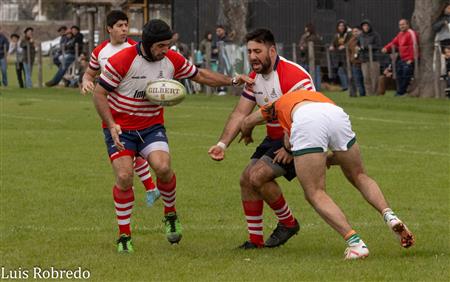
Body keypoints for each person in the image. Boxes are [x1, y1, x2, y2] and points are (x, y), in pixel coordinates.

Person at [92, 19, 251, 253]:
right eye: (161, 46)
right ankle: (124, 235)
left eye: (168, 45)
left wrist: (233, 80)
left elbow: (200, 76)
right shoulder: (123, 60)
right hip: (121, 129)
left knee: (163, 168)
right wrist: (111, 124)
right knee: (125, 176)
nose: (166, 50)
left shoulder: (170, 60)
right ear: (148, 44)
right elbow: (99, 93)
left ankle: (170, 214)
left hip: (151, 126)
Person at [240, 89, 415, 259]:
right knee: (359, 175)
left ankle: (355, 244)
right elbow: (340, 156)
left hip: (307, 121)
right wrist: (327, 159)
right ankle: (389, 215)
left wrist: (247, 134)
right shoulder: (313, 96)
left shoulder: (277, 105)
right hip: (336, 114)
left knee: (315, 192)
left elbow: (248, 122)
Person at [208, 29, 315, 249]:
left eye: (258, 51)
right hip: (275, 137)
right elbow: (240, 113)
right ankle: (255, 242)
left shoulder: (293, 76)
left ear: (272, 50)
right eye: (249, 52)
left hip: (302, 138)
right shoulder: (255, 78)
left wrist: (290, 148)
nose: (253, 56)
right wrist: (222, 144)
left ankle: (288, 223)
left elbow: (308, 116)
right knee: (246, 179)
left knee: (257, 176)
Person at [81, 11, 161, 208]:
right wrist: (85, 81)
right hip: (111, 110)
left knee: (131, 153)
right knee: (128, 153)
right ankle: (150, 188)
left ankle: (150, 189)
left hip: (135, 110)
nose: (124, 29)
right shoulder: (100, 51)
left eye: (126, 25)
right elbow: (90, 74)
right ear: (109, 28)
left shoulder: (136, 48)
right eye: (119, 26)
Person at [382, 19, 419, 96]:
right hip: (402, 58)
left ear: (408, 25)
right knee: (398, 75)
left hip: (409, 59)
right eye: (400, 25)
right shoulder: (400, 34)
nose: (401, 26)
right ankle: (400, 91)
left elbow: (415, 47)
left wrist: (412, 59)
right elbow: (393, 43)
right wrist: (386, 48)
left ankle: (401, 92)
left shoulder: (411, 33)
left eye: (403, 24)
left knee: (406, 76)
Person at [359, 19, 382, 95]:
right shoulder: (360, 36)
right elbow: (358, 45)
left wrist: (366, 47)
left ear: (370, 26)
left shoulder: (375, 35)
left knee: (375, 77)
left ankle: (376, 93)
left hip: (374, 59)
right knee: (366, 77)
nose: (365, 27)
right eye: (364, 25)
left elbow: (378, 46)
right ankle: (369, 93)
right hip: (364, 59)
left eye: (367, 25)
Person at [298, 23, 323, 90]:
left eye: (306, 28)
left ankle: (310, 88)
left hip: (308, 60)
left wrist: (302, 47)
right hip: (317, 59)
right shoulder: (317, 37)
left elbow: (304, 48)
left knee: (306, 75)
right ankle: (318, 89)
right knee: (317, 75)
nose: (305, 29)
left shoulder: (309, 38)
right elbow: (322, 48)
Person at [329, 20, 351, 91]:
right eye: (339, 26)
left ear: (345, 27)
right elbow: (333, 43)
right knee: (340, 71)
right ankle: (345, 87)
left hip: (347, 56)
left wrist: (345, 46)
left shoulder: (348, 34)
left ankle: (349, 86)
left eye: (342, 26)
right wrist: (332, 46)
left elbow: (351, 42)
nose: (341, 27)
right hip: (339, 57)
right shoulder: (337, 35)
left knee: (347, 71)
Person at [348, 27, 365, 97]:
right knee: (356, 79)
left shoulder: (362, 39)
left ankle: (363, 94)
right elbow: (349, 50)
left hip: (361, 61)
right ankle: (359, 94)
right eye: (354, 31)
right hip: (354, 62)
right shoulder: (351, 40)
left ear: (360, 31)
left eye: (356, 31)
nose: (355, 33)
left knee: (362, 79)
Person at [212, 25, 229, 95]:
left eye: (219, 31)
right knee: (217, 74)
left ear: (223, 31)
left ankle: (223, 89)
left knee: (224, 74)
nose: (217, 32)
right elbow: (212, 49)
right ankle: (219, 89)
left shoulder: (227, 40)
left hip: (225, 61)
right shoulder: (216, 40)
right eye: (216, 31)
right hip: (217, 60)